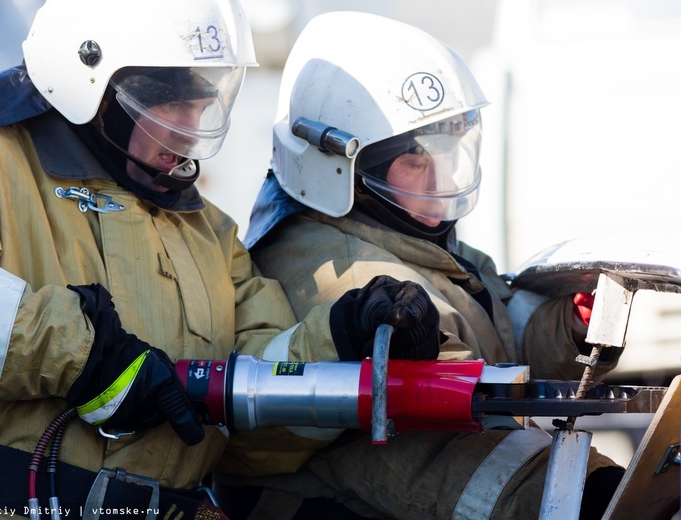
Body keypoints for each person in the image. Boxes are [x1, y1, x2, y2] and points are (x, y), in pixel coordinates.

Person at [0, 2, 442, 519]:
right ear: (87, 79)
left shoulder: (209, 234)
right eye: (169, 104)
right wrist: (86, 357)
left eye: (201, 106)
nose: (187, 131)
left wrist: (343, 340)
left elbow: (256, 425)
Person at [216, 11, 625, 520]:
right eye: (415, 160)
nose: (441, 179)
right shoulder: (343, 273)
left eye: (451, 150)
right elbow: (445, 446)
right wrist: (594, 495)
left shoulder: (409, 238)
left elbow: (495, 329)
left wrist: (568, 326)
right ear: (345, 169)